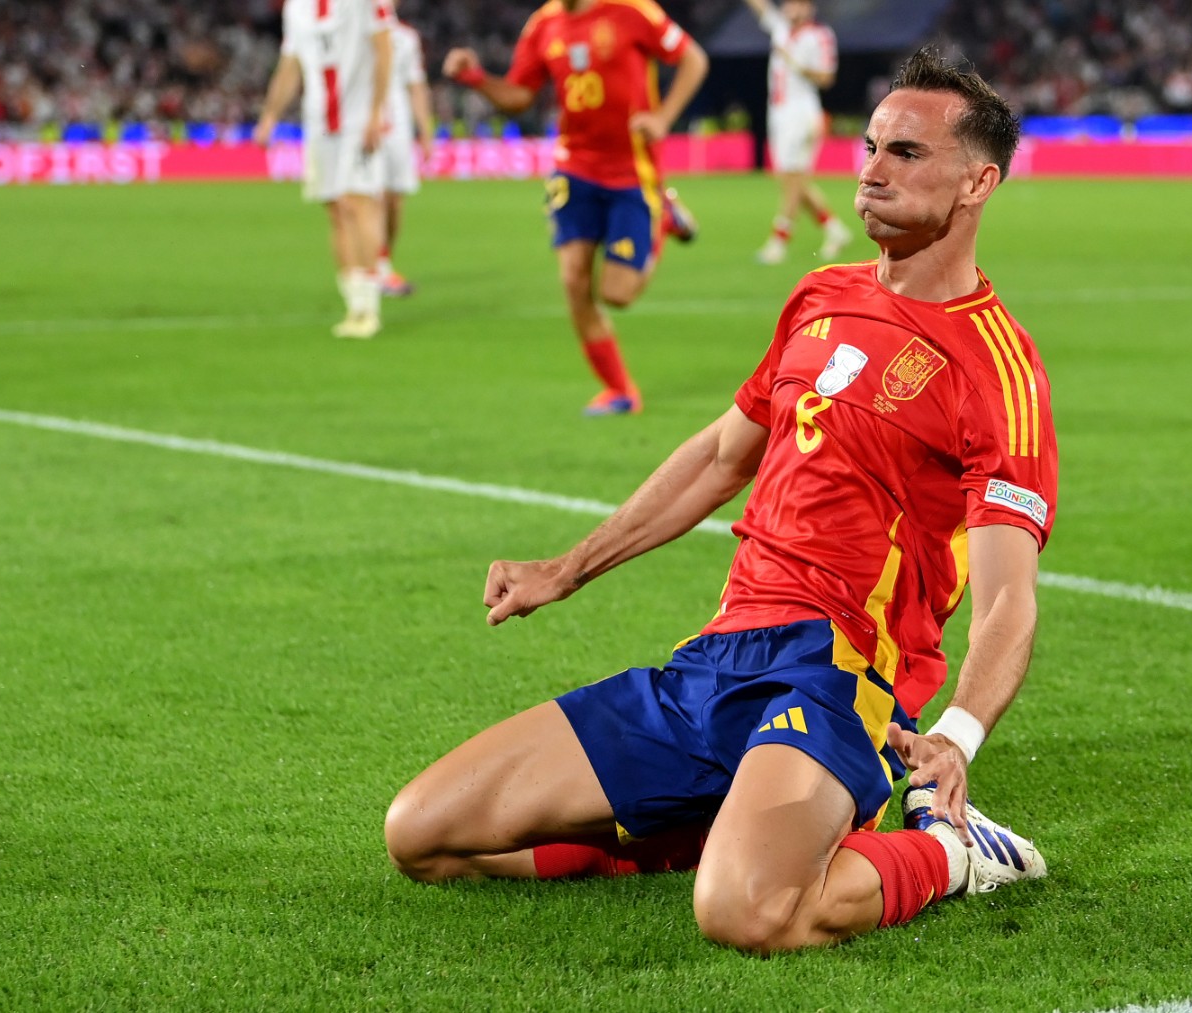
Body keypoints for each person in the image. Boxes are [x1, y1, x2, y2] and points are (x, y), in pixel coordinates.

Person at [384, 48, 1054, 953]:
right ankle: (704, 833)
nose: (870, 170)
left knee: (746, 912)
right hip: (715, 662)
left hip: (837, 676)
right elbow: (718, 457)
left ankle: (952, 852)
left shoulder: (995, 366)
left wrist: (958, 737)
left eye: (906, 154)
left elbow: (1010, 593)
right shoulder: (820, 297)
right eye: (870, 146)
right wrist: (566, 568)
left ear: (979, 182)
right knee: (422, 834)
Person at [441, 0, 709, 416]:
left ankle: (665, 220)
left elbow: (693, 58)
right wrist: (475, 78)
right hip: (574, 168)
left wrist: (663, 117)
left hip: (631, 172)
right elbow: (519, 95)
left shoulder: (632, 10)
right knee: (573, 282)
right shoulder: (543, 24)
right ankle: (620, 390)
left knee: (618, 294)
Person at [253, 0, 393, 340]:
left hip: (358, 118)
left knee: (356, 202)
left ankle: (370, 305)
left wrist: (377, 111)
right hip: (320, 122)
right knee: (334, 208)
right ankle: (354, 302)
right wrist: (270, 115)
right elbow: (291, 65)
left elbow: (383, 47)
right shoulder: (296, 8)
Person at [739, 0, 852, 265]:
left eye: (796, 4)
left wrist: (797, 64)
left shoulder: (819, 36)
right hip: (779, 112)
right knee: (791, 178)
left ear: (809, 8)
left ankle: (779, 241)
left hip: (801, 113)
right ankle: (834, 229)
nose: (790, 9)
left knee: (791, 178)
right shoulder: (781, 28)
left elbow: (826, 77)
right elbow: (761, 7)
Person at [378, 0, 436, 296]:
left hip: (397, 125)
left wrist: (425, 129)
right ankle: (370, 269)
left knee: (394, 200)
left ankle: (382, 262)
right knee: (364, 199)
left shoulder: (406, 38)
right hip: (362, 122)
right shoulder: (353, 32)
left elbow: (416, 85)